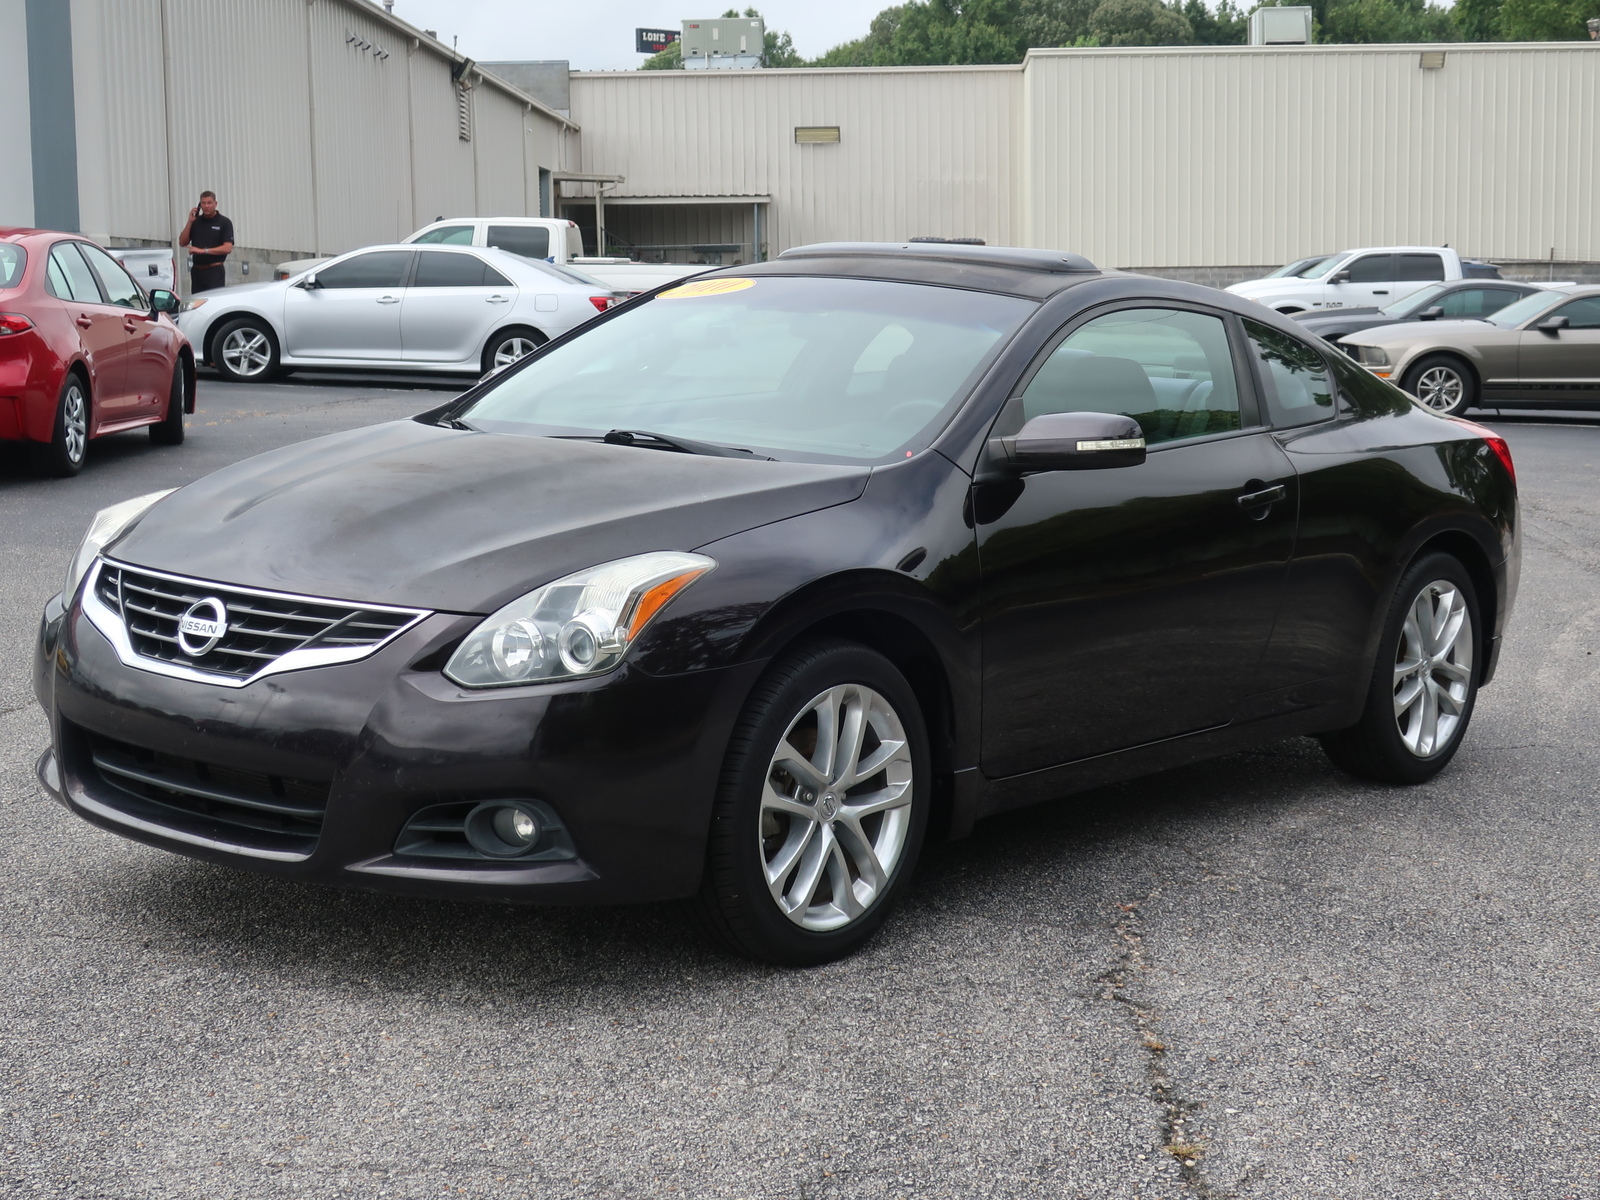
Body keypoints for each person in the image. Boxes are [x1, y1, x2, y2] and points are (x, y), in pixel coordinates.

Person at [179, 191, 234, 294]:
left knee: (214, 302)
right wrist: (190, 221)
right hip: (197, 271)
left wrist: (203, 251)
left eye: (209, 203)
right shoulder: (196, 221)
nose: (206, 206)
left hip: (214, 270)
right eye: (203, 203)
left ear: (215, 204)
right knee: (197, 302)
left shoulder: (224, 223)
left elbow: (227, 248)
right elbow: (182, 242)